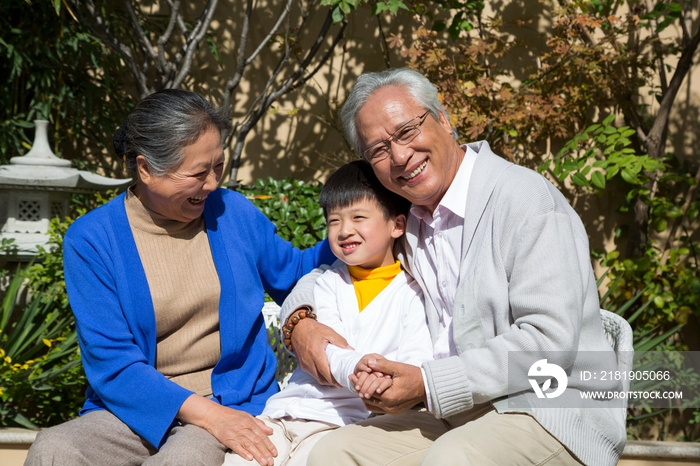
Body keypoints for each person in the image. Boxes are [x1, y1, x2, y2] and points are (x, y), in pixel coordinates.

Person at [278, 68, 628, 465]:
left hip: (551, 408)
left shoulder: (526, 201)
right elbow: (326, 272)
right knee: (334, 453)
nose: (399, 156)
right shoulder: (405, 218)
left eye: (407, 131)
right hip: (452, 416)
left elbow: (550, 342)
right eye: (378, 150)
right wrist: (301, 323)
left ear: (443, 119)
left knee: (453, 460)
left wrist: (428, 383)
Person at [24, 89, 335, 466]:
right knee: (53, 450)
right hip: (133, 413)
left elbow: (296, 272)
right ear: (146, 169)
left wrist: (356, 232)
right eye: (198, 173)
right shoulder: (92, 239)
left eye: (218, 166)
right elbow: (114, 365)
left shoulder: (231, 213)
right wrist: (210, 417)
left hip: (230, 402)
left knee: (181, 460)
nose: (213, 183)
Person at [222, 160, 434, 466]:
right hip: (281, 416)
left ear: (397, 225)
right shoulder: (325, 282)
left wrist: (383, 381)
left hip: (341, 425)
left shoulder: (413, 293)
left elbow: (416, 358)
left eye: (358, 217)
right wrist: (360, 370)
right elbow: (328, 348)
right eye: (334, 221)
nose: (344, 230)